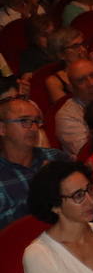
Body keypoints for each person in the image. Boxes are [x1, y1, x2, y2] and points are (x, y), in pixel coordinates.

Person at [0, 97, 64, 227]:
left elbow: (88, 204)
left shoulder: (56, 159)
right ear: (2, 128)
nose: (34, 128)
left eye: (36, 121)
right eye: (24, 121)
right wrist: (41, 189)